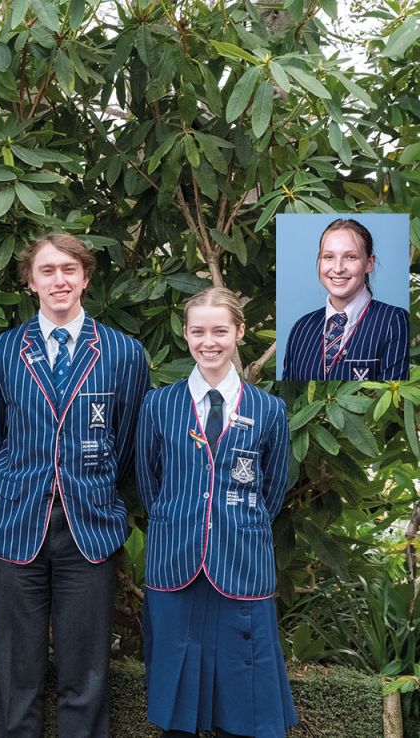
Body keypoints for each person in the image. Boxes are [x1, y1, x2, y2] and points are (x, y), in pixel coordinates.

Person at [0, 233, 150, 737]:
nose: (59, 280)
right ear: (30, 282)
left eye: (69, 269)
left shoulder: (123, 353)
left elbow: (126, 444)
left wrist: (90, 485)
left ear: (86, 278)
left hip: (89, 527)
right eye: (48, 270)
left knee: (86, 674)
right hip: (16, 525)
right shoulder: (0, 353)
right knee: (17, 675)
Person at [136, 287, 297, 737]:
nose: (209, 342)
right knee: (176, 696)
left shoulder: (269, 409)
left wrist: (234, 524)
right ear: (185, 334)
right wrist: (182, 518)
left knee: (245, 698)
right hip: (176, 562)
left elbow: (273, 489)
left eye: (220, 331)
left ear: (239, 333)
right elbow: (149, 482)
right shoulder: (158, 405)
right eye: (198, 331)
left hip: (242, 564)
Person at [281, 217, 408, 381]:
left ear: (369, 263)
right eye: (328, 257)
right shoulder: (301, 328)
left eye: (351, 257)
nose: (338, 268)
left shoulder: (394, 321)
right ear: (319, 262)